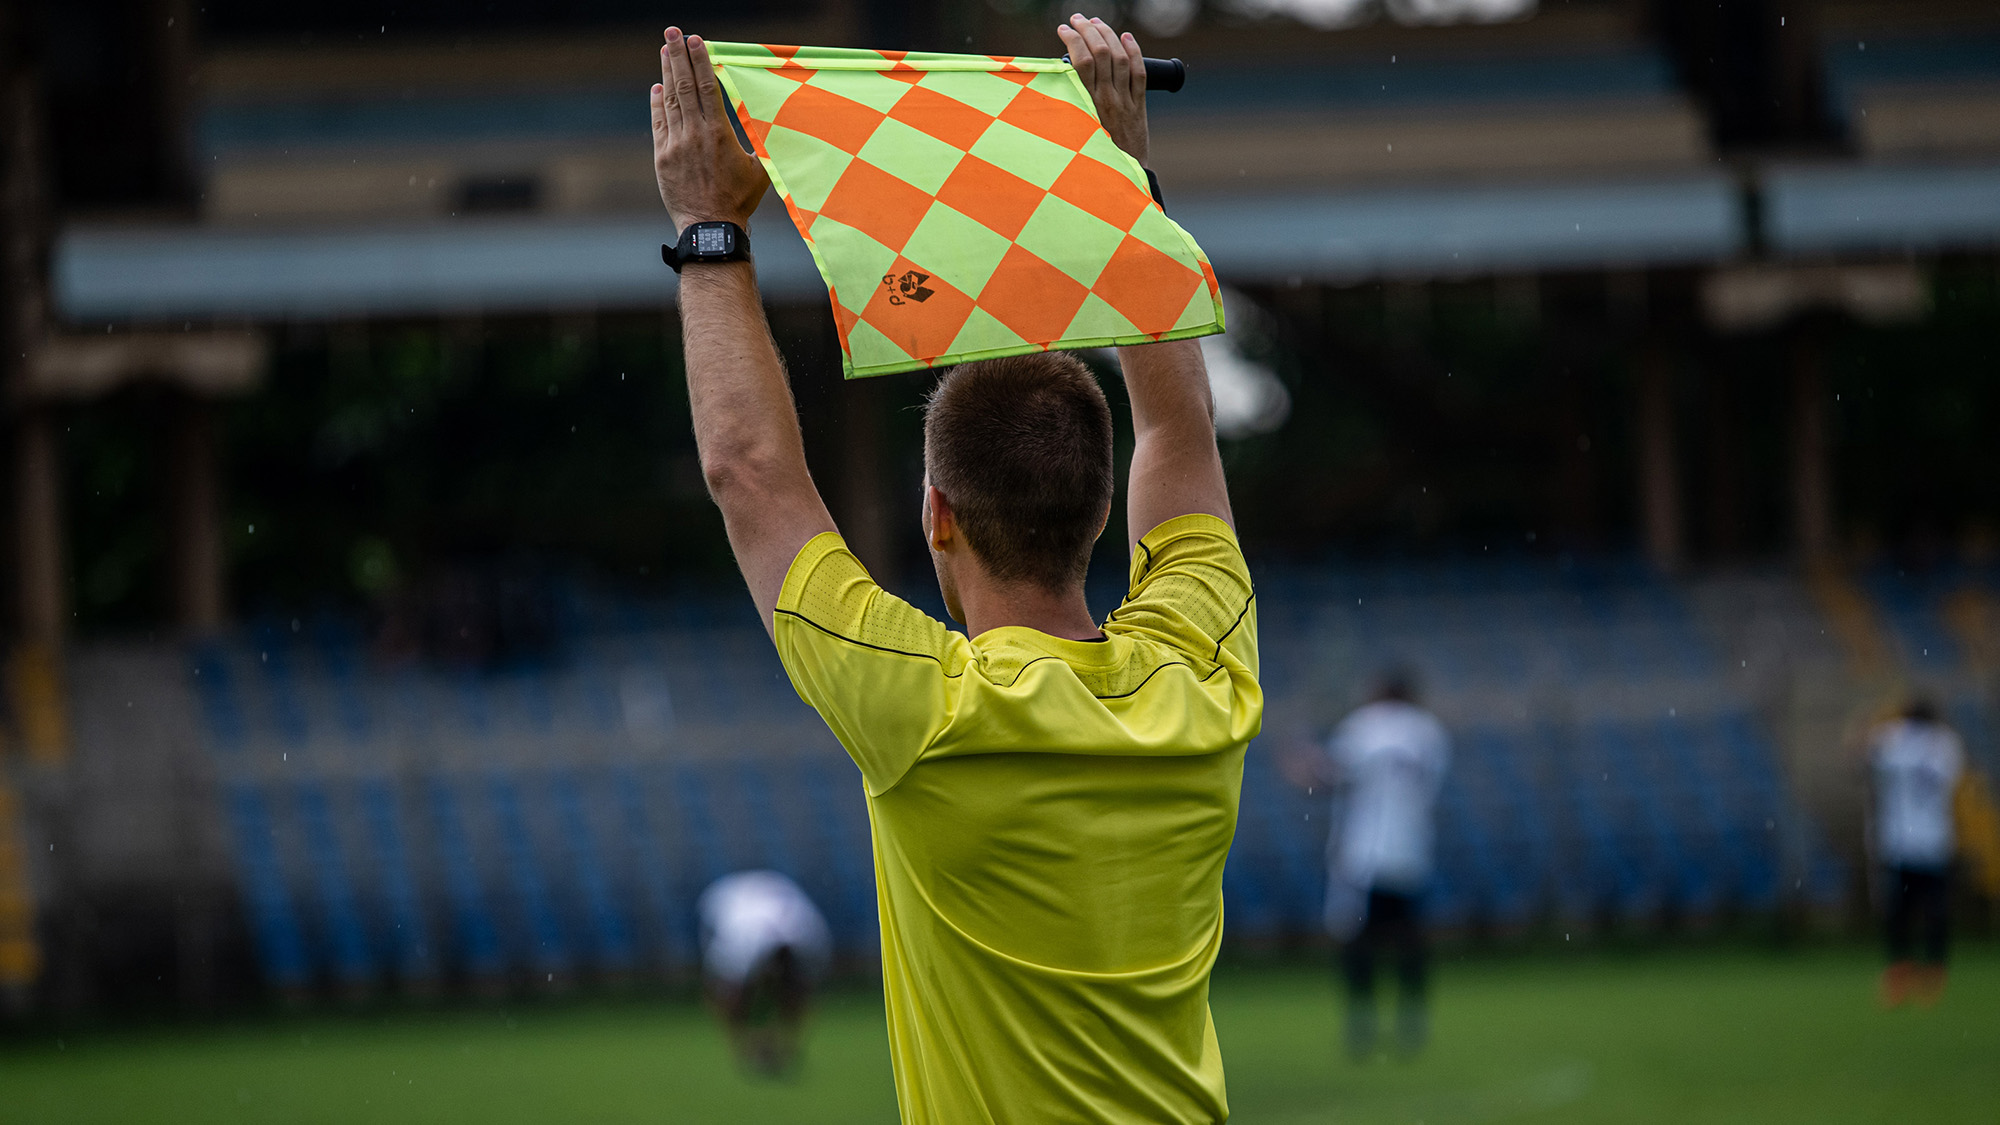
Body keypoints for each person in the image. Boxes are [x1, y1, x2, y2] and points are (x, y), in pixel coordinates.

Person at [650, 15, 1259, 1124]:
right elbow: (1182, 433)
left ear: (937, 517)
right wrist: (1119, 172)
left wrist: (706, 225)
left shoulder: (930, 716)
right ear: (1101, 509)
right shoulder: (1201, 678)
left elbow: (748, 473)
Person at [1318, 670, 1448, 1060]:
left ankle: (1362, 1021)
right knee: (1409, 938)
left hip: (1364, 853)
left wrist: (1301, 764)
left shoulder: (1362, 726)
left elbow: (1333, 777)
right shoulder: (1429, 731)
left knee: (1358, 942)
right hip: (1411, 850)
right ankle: (1412, 1018)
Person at [1866, 695, 1965, 1007]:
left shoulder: (1890, 739)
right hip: (1934, 840)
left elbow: (1861, 760)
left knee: (1899, 913)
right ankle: (1934, 972)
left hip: (1898, 841)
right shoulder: (1945, 743)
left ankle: (1900, 972)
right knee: (1935, 910)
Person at [697, 869, 834, 1075]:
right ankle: (745, 1047)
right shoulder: (735, 941)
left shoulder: (811, 939)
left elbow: (804, 992)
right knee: (729, 995)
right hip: (727, 902)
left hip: (776, 899)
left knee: (789, 992)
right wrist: (743, 1043)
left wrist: (787, 1044)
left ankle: (769, 1046)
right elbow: (724, 993)